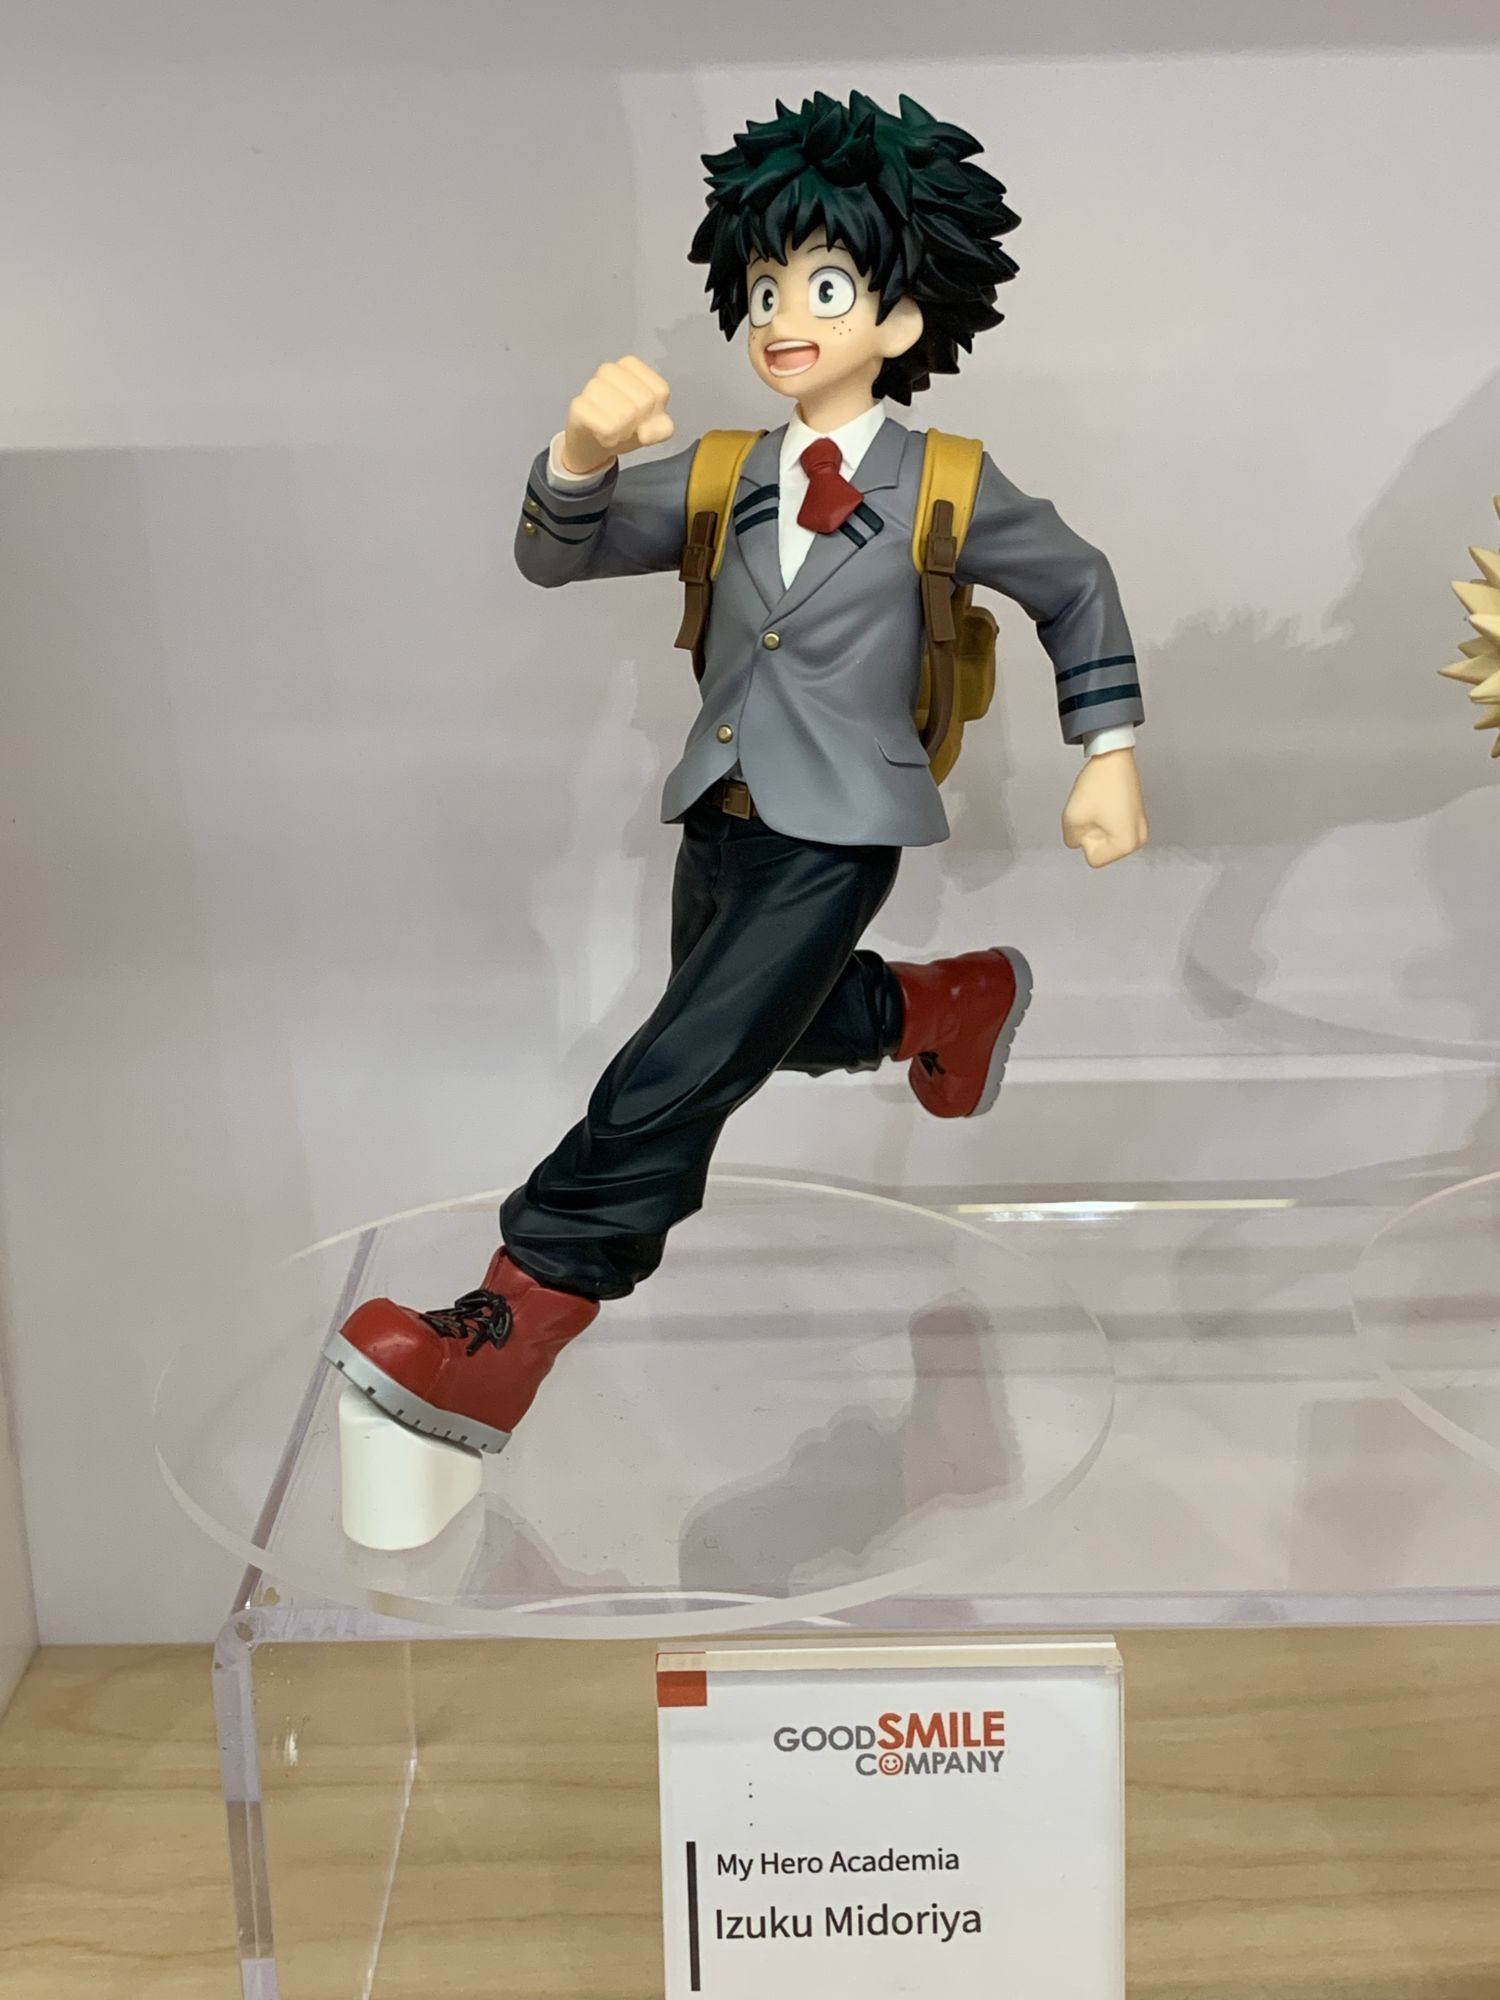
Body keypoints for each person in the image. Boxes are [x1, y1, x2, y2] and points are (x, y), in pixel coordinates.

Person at [325, 91, 1149, 1456]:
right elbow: (555, 554)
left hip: (841, 824)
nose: (783, 317)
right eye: (765, 287)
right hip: (718, 809)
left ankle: (513, 1322)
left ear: (901, 318)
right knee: (769, 1029)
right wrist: (580, 458)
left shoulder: (946, 482)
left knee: (680, 1065)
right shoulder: (723, 475)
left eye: (824, 286)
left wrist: (1106, 752)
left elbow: (1078, 582)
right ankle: (943, 1003)